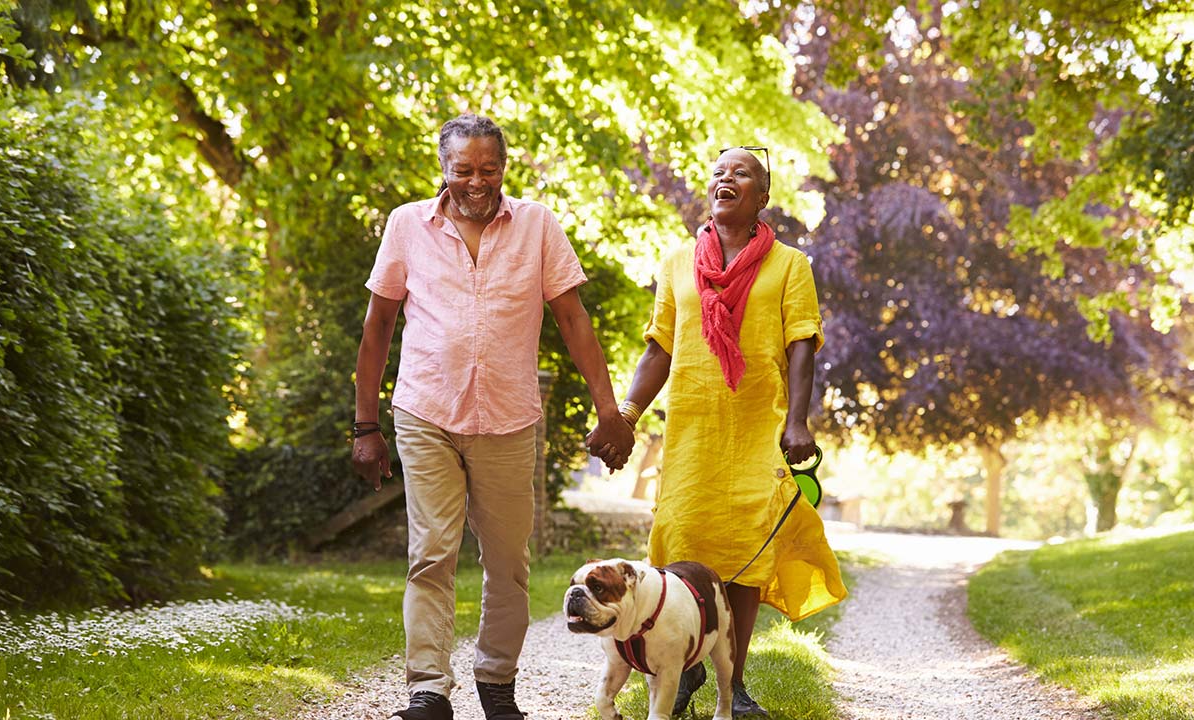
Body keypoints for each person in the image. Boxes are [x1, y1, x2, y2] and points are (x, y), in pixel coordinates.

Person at [351, 114, 635, 720]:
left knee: (508, 564)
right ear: (443, 170)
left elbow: (573, 318)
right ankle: (428, 691)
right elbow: (378, 326)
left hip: (507, 419)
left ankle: (497, 683)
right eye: (464, 170)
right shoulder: (407, 225)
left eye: (489, 169)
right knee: (431, 554)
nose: (477, 182)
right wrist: (365, 425)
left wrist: (609, 409)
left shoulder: (537, 225)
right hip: (426, 411)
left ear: (504, 168)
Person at [597, 147, 847, 717]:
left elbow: (801, 343)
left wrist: (798, 421)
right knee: (682, 545)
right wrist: (628, 414)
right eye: (719, 171)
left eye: (742, 172)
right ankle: (680, 674)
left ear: (762, 196)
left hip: (759, 427)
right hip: (692, 431)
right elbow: (660, 347)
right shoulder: (677, 262)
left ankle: (732, 686)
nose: (725, 178)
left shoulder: (790, 266)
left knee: (744, 557)